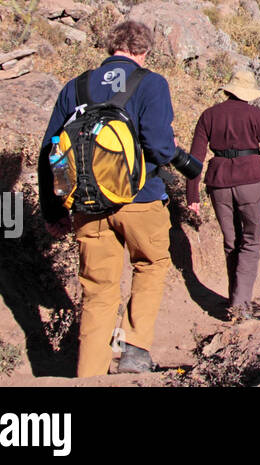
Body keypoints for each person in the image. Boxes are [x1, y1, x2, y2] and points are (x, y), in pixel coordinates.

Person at [38, 20, 193, 377]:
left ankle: (89, 373)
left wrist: (55, 209)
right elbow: (157, 145)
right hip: (141, 200)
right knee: (150, 265)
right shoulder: (151, 83)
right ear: (144, 51)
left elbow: (51, 152)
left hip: (87, 204)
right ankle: (133, 351)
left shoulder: (75, 87)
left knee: (98, 289)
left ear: (111, 48)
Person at [186, 69, 260, 319]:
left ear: (228, 89)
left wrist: (192, 195)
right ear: (249, 93)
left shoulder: (209, 115)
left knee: (231, 242)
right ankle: (240, 306)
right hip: (251, 180)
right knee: (251, 241)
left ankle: (234, 298)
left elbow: (195, 158)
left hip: (218, 182)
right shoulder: (256, 115)